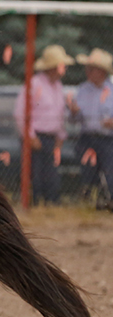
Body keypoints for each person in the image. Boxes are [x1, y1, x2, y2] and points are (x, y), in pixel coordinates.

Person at [14, 44, 74, 206]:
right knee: (36, 174)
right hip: (35, 136)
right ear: (53, 67)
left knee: (51, 173)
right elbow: (21, 112)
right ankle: (35, 204)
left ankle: (50, 203)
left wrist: (61, 135)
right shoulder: (33, 84)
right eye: (62, 66)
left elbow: (59, 114)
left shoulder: (58, 87)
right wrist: (30, 136)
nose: (64, 69)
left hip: (51, 138)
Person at [70, 48, 113, 205]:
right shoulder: (83, 89)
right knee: (88, 172)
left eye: (91, 68)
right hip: (87, 138)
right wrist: (74, 112)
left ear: (101, 72)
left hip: (108, 140)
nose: (87, 71)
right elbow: (75, 119)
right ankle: (89, 203)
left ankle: (109, 202)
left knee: (110, 172)